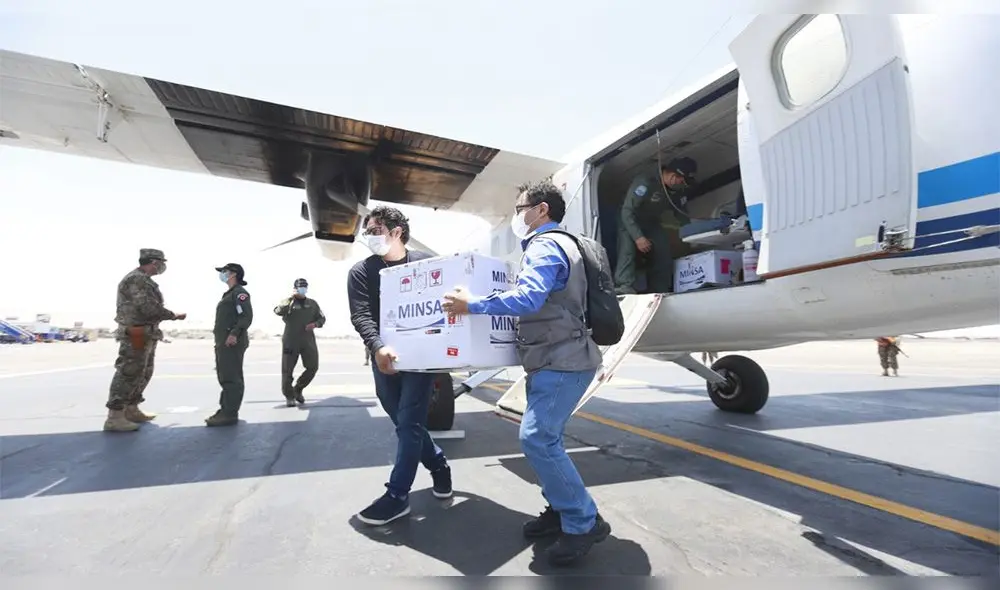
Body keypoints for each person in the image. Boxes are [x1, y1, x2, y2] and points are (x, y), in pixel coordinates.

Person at [442, 179, 609, 567]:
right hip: (554, 357)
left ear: (540, 210)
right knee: (546, 439)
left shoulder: (546, 245)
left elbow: (529, 298)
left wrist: (472, 305)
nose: (518, 216)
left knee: (537, 438)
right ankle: (560, 507)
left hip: (562, 359)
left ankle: (583, 522)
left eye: (520, 209)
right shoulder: (565, 243)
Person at [347, 205, 452, 526]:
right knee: (403, 422)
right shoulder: (362, 272)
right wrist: (378, 347)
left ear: (397, 232)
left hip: (422, 359)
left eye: (375, 230)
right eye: (367, 230)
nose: (368, 236)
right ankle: (439, 466)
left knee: (409, 423)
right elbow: (361, 315)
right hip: (384, 358)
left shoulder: (426, 265)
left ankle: (397, 495)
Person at [104, 248, 186, 432]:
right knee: (130, 370)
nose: (163, 267)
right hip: (137, 332)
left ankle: (131, 408)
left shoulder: (144, 281)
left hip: (145, 332)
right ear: (154, 262)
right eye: (161, 263)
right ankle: (115, 416)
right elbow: (147, 308)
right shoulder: (137, 280)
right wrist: (173, 315)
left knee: (143, 371)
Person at [614, 156, 697, 294]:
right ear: (673, 175)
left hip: (651, 222)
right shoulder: (646, 181)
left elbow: (682, 215)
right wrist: (638, 237)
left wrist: (691, 236)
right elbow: (627, 211)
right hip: (629, 219)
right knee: (628, 249)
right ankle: (624, 286)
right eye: (681, 180)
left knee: (663, 248)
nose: (682, 184)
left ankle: (660, 288)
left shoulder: (677, 191)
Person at [207, 263, 253, 427]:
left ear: (233, 274)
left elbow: (246, 317)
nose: (223, 274)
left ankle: (229, 413)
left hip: (232, 342)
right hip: (224, 341)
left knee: (231, 377)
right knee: (226, 375)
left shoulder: (240, 294)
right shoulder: (230, 294)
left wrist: (234, 334)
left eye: (225, 272)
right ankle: (225, 409)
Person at [274, 277, 326, 406]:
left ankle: (298, 388)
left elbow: (322, 318)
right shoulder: (288, 303)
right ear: (295, 288)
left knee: (313, 367)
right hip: (291, 340)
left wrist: (315, 324)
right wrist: (290, 299)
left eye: (304, 287)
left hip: (308, 340)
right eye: (299, 287)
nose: (302, 289)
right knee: (287, 370)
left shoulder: (312, 304)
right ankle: (289, 395)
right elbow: (278, 311)